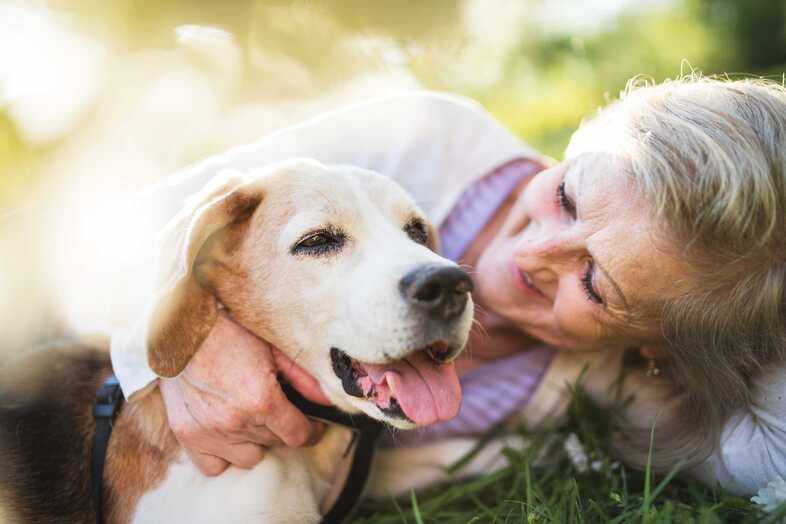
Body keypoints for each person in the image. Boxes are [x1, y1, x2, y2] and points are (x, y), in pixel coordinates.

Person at [111, 76, 786, 496]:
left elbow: (773, 459)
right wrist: (176, 347)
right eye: (568, 197)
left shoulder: (624, 388)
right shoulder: (427, 138)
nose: (533, 251)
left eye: (595, 283)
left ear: (656, 343)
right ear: (581, 143)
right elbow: (103, 235)